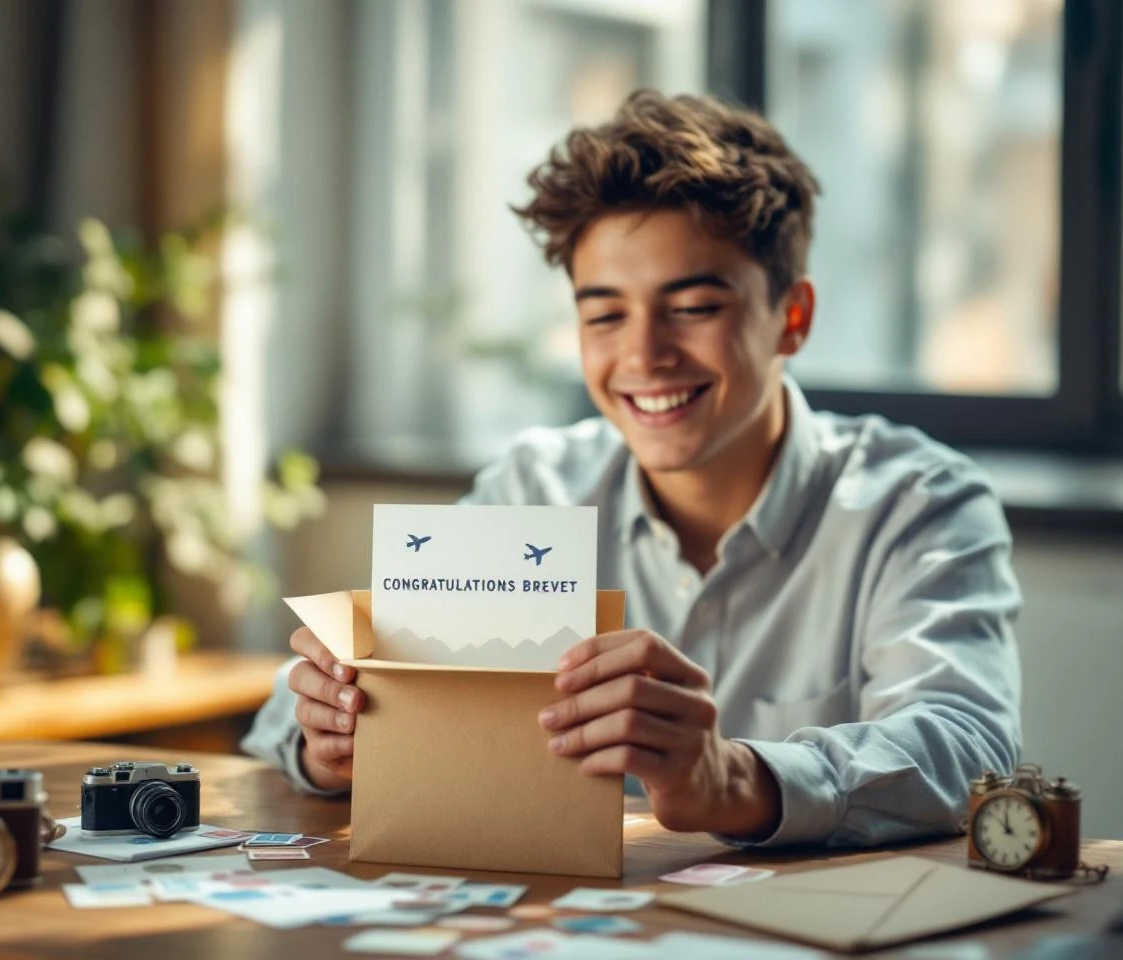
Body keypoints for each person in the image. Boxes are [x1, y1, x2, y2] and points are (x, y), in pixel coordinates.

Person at [241, 90, 1022, 847]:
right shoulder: (531, 491)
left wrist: (738, 778)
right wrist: (330, 740)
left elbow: (966, 743)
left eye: (693, 308)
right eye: (605, 314)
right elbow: (283, 717)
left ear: (792, 318)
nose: (644, 356)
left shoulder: (918, 503)